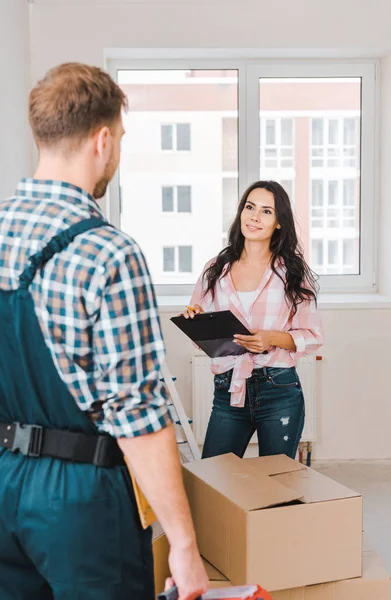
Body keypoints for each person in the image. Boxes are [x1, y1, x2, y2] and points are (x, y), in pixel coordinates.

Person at [0, 63, 207, 600]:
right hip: (81, 497)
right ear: (102, 139)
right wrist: (184, 543)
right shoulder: (108, 253)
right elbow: (137, 415)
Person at [184, 181, 323, 460]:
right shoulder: (216, 268)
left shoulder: (292, 273)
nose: (254, 217)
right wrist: (195, 319)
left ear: (279, 223)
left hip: (279, 390)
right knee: (215, 478)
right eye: (250, 207)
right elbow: (204, 331)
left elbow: (312, 335)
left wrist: (270, 338)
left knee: (276, 485)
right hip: (228, 388)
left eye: (266, 211)